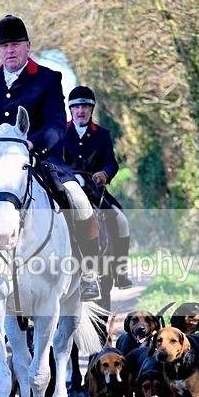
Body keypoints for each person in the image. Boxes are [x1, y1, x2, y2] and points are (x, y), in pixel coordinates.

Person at [0, 14, 102, 301]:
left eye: (16, 44)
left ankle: (90, 274)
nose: (10, 50)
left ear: (28, 46)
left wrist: (32, 144)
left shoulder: (47, 78)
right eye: (4, 45)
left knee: (79, 202)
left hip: (41, 161)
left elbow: (57, 124)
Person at [60, 85, 133, 289]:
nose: (81, 111)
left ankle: (120, 272)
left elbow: (111, 162)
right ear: (71, 109)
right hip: (66, 191)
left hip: (94, 191)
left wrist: (104, 174)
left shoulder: (102, 134)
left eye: (85, 106)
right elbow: (54, 161)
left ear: (91, 109)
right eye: (76, 107)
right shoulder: (60, 132)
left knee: (122, 221)